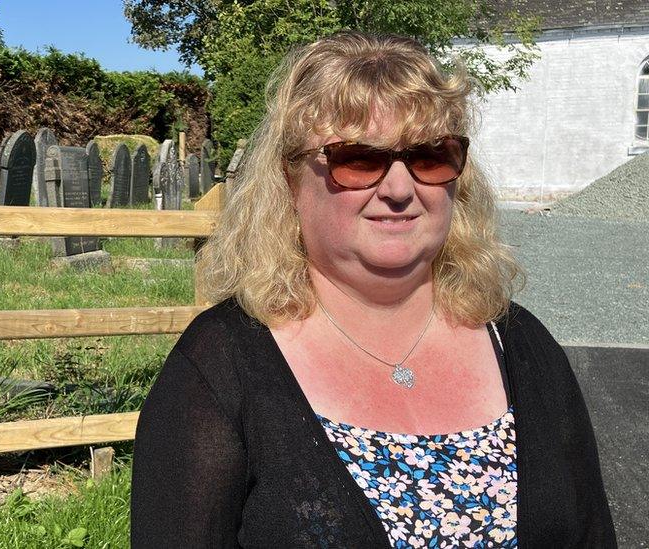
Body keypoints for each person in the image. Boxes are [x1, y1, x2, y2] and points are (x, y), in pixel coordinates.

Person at [131, 32, 615, 548]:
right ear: (292, 182)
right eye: (359, 159)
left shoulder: (522, 344)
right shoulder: (219, 367)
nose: (401, 189)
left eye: (430, 157)